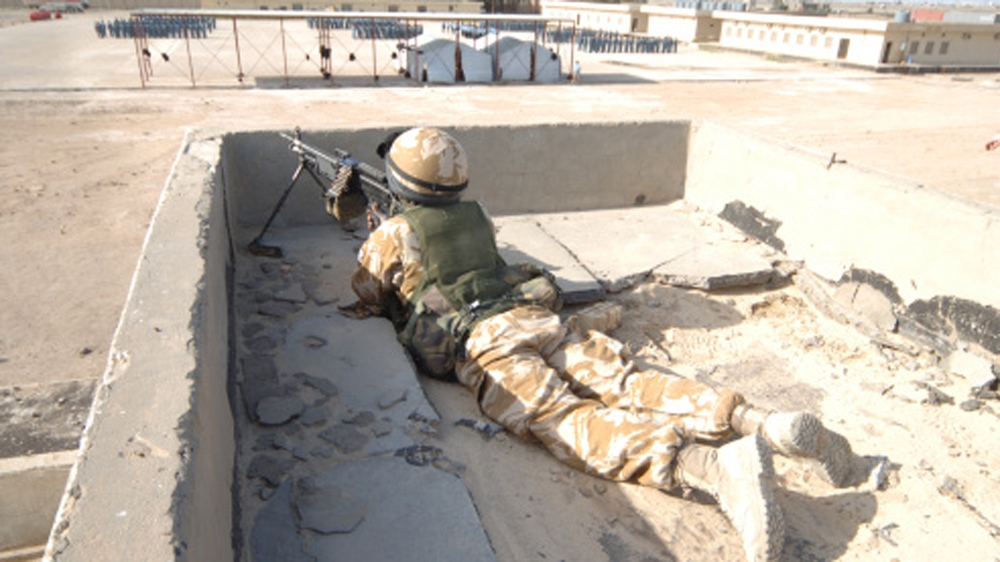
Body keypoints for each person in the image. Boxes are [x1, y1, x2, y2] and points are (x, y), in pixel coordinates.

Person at [343, 127, 854, 562]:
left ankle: (713, 469)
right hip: (535, 318)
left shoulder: (394, 233)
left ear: (398, 180)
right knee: (624, 380)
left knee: (562, 419)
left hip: (484, 342)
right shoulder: (478, 214)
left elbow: (366, 291)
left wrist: (377, 232)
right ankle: (759, 423)